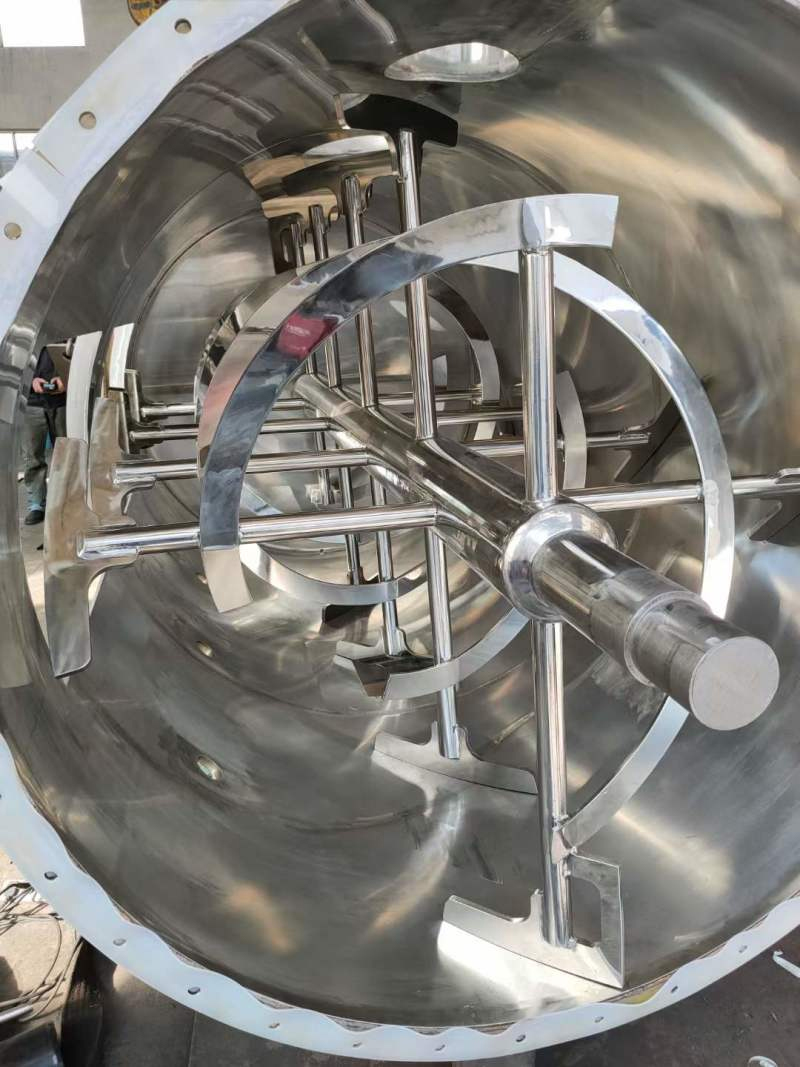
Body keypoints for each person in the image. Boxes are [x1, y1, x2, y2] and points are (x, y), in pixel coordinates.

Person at [22, 346, 67, 525]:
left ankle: (66, 499)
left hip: (64, 400)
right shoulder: (23, 334)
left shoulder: (68, 332)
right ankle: (36, 504)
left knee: (66, 455)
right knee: (33, 456)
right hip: (31, 401)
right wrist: (30, 379)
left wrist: (66, 377)